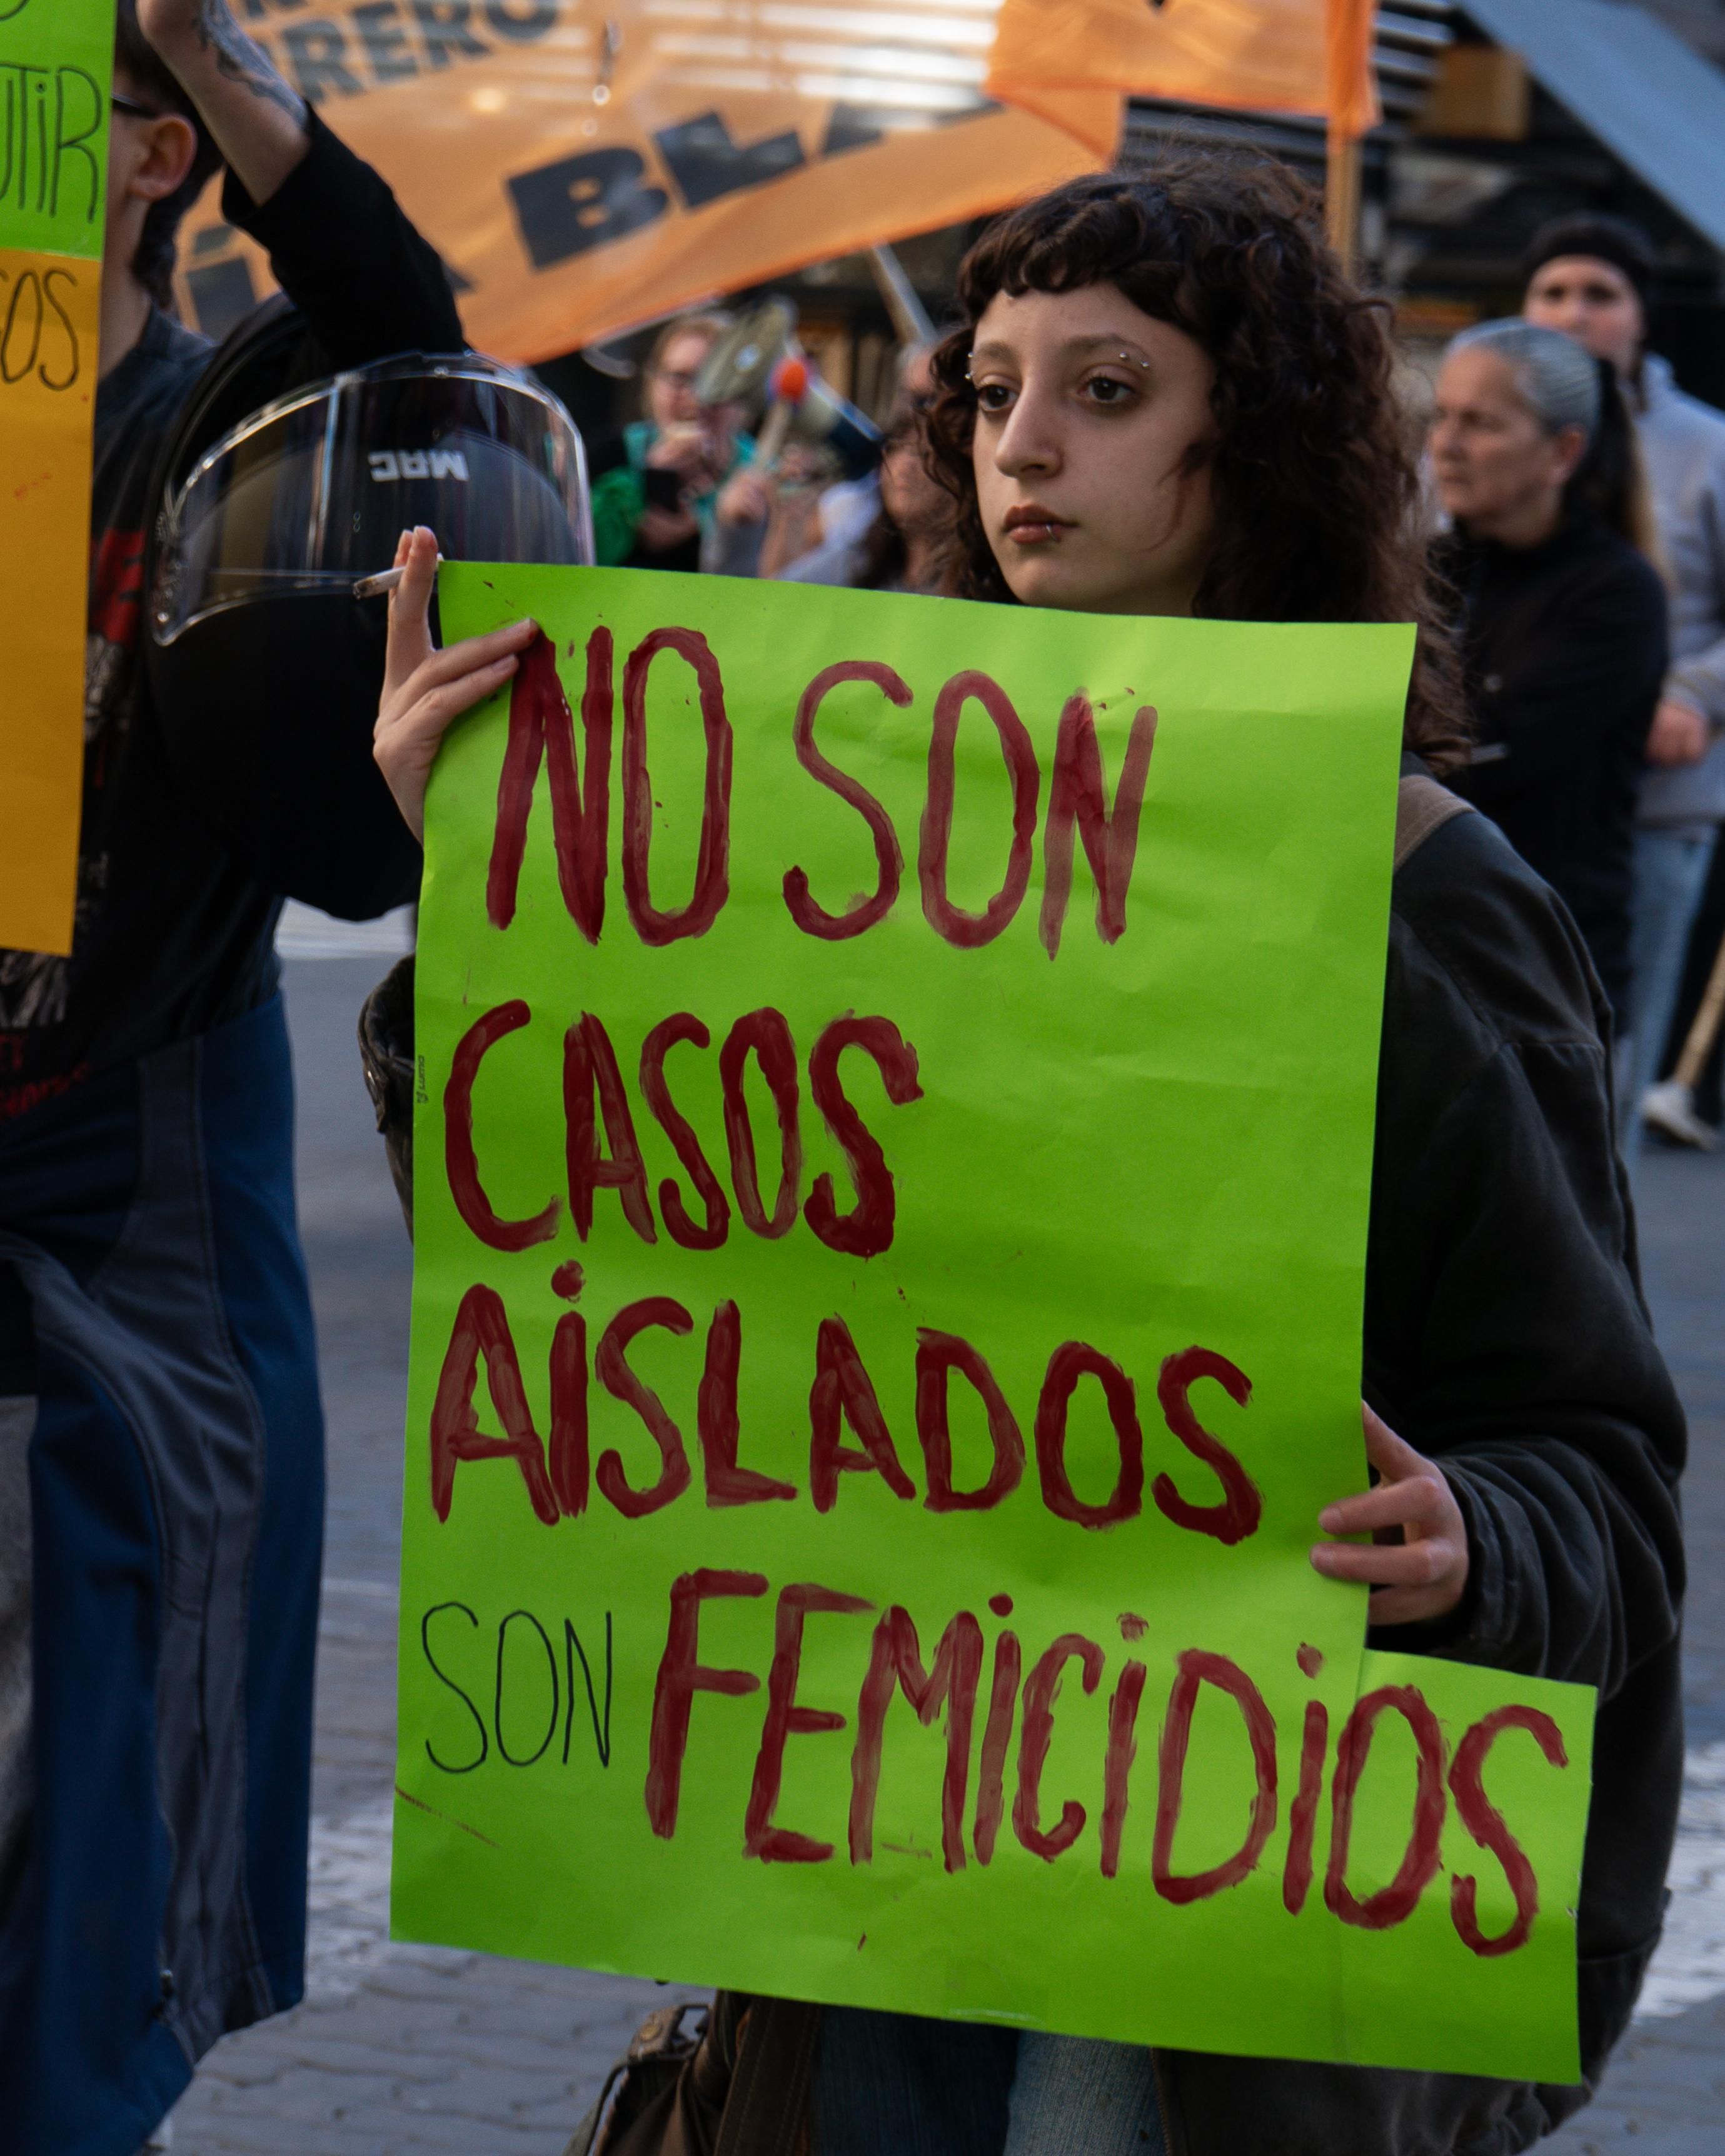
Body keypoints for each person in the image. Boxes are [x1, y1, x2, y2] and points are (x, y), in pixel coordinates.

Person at [373, 163, 1686, 2156]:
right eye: (989, 394)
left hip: (1202, 1897)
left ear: (1246, 444)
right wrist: (484, 893)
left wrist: (1474, 1539)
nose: (1023, 450)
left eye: (1104, 390)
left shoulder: (1413, 888)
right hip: (870, 1834)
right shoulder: (842, 844)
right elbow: (596, 1243)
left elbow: (1595, 1454)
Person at [0, 6, 464, 2150]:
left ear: (156, 160)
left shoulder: (212, 422)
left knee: (98, 1822)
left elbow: (394, 309)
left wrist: (186, 37)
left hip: (121, 1190)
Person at [1522, 215, 1725, 1136]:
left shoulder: (1706, 446)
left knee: (1602, 1075)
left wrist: (1694, 691)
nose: (1572, 314)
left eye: (1598, 294)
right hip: (1505, 795)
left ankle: (1602, 1280)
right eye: (1552, 293)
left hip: (1654, 797)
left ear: (1641, 315)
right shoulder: (1473, 434)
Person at [1429, 319, 1667, 1051]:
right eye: (1439, 415)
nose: (1447, 442)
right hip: (1430, 958)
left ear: (1562, 451)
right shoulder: (1428, 568)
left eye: (1481, 423)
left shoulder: (1614, 593)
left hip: (1549, 977)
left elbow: (1489, 751)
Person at [589, 313, 757, 572]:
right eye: (680, 378)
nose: (695, 398)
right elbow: (578, 554)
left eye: (714, 382)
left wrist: (706, 529)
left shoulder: (761, 473)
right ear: (654, 382)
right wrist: (643, 482)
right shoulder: (607, 456)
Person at [778, 351, 950, 594]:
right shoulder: (856, 556)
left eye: (928, 398)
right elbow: (778, 597)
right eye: (897, 448)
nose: (904, 468)